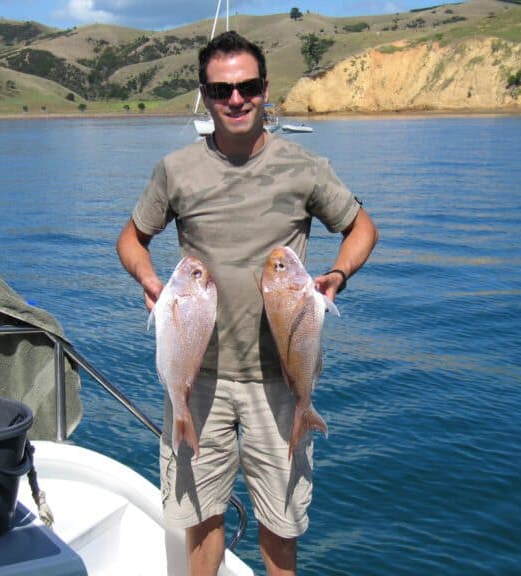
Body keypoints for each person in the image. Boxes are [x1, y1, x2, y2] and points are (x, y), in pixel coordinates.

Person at [116, 31, 378, 576]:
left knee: (280, 526)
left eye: (248, 86)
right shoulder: (177, 170)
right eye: (221, 89)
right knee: (202, 518)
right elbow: (131, 239)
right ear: (205, 95)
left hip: (282, 380)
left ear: (264, 89)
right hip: (196, 377)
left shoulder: (304, 167)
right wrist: (151, 283)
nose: (236, 99)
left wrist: (336, 274)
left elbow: (361, 228)